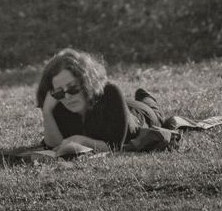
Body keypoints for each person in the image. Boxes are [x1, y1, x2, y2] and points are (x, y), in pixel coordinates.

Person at [35, 48, 169, 151]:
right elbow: (54, 145)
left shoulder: (111, 92)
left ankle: (145, 96)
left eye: (73, 88)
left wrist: (81, 140)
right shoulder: (58, 102)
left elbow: (115, 146)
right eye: (59, 92)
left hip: (141, 115)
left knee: (153, 110)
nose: (67, 97)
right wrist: (47, 111)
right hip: (121, 106)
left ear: (86, 82)